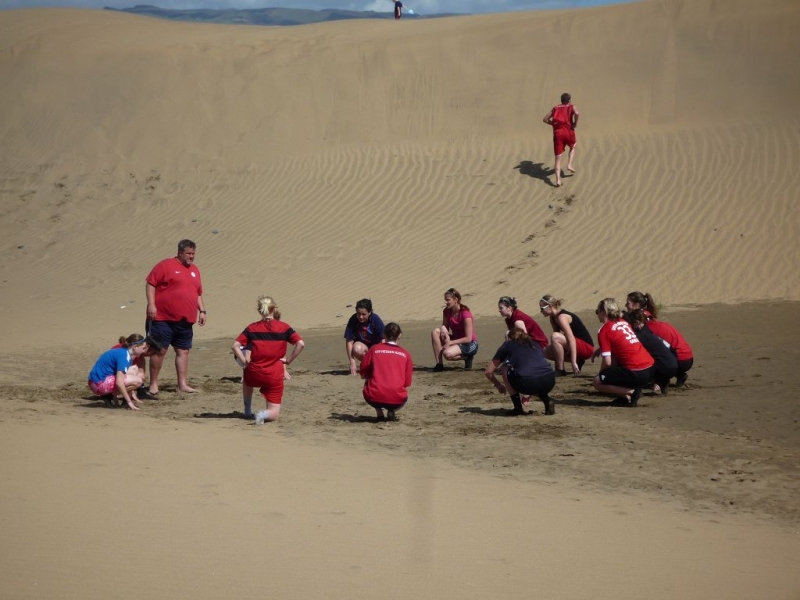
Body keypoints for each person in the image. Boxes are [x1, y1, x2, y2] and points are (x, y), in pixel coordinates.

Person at [145, 239, 206, 395]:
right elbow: (151, 283)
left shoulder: (195, 270)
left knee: (183, 351)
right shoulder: (165, 265)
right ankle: (153, 384)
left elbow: (198, 293)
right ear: (180, 252)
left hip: (185, 320)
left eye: (193, 253)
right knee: (160, 350)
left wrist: (202, 311)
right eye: (188, 253)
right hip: (163, 318)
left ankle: (182, 384)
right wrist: (151, 304)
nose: (191, 256)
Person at [232, 295, 304, 424]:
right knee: (274, 413)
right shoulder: (284, 327)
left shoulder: (252, 328)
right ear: (274, 309)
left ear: (260, 311)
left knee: (247, 379)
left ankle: (247, 410)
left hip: (254, 371)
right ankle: (262, 414)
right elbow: (300, 344)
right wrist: (288, 360)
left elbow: (235, 346)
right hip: (273, 374)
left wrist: (245, 362)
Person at [591, 298, 654, 407]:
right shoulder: (623, 322)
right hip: (650, 368)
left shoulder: (604, 330)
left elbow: (607, 362)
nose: (597, 315)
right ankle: (623, 397)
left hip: (636, 371)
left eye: (598, 311)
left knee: (597, 381)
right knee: (615, 361)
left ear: (604, 312)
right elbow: (621, 344)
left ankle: (632, 392)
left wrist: (602, 374)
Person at [626, 291, 694, 387]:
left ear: (636, 305)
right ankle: (678, 374)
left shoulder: (642, 321)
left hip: (681, 359)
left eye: (628, 303)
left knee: (648, 353)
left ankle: (660, 380)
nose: (626, 305)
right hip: (688, 357)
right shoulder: (647, 315)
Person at [485, 329, 556, 416]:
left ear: (509, 338)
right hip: (550, 380)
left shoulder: (507, 345)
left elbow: (488, 372)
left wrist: (498, 385)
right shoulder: (535, 344)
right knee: (535, 374)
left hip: (528, 383)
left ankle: (517, 408)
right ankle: (547, 400)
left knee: (505, 368)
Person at [88, 336, 160, 410]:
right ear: (135, 347)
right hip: (98, 385)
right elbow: (119, 382)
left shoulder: (125, 352)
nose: (143, 351)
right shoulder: (124, 356)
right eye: (143, 348)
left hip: (95, 382)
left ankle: (116, 397)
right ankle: (110, 396)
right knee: (138, 381)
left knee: (134, 370)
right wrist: (130, 402)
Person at [360, 322, 413, 421]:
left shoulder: (374, 349)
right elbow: (407, 382)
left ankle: (379, 412)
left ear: (384, 335)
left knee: (368, 378)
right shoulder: (405, 354)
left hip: (374, 397)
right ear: (399, 335)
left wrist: (367, 376)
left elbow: (363, 369)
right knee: (400, 387)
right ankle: (392, 410)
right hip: (397, 400)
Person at [538, 294, 595, 376]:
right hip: (575, 346)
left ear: (550, 306)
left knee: (555, 337)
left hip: (587, 348)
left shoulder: (562, 317)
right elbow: (557, 344)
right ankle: (578, 361)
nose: (541, 311)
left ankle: (560, 369)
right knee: (546, 352)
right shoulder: (552, 318)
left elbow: (571, 338)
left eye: (542, 308)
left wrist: (573, 362)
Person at [625, 309, 678, 395]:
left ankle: (658, 381)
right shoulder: (649, 330)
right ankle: (661, 381)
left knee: (641, 367)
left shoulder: (639, 335)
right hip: (673, 364)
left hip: (665, 367)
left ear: (637, 322)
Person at [431, 288, 479, 371]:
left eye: (448, 300)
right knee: (435, 332)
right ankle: (439, 364)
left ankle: (467, 357)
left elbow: (468, 338)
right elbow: (445, 328)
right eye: (445, 300)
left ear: (456, 300)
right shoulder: (446, 311)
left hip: (469, 344)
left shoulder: (465, 314)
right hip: (456, 339)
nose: (446, 302)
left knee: (447, 354)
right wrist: (443, 328)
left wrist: (450, 343)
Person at [543, 92, 579, 187]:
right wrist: (575, 123)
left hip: (557, 134)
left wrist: (553, 124)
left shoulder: (555, 108)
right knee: (573, 146)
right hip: (568, 132)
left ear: (561, 100)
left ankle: (558, 180)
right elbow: (577, 113)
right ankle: (569, 164)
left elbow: (545, 119)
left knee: (558, 158)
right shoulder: (572, 106)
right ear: (569, 100)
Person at [344, 299, 386, 376]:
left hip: (376, 348)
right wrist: (352, 362)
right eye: (358, 313)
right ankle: (368, 364)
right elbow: (349, 341)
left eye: (364, 314)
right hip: (363, 346)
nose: (360, 317)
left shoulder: (375, 320)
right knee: (356, 348)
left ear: (369, 312)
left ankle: (377, 364)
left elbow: (383, 340)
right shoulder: (353, 320)